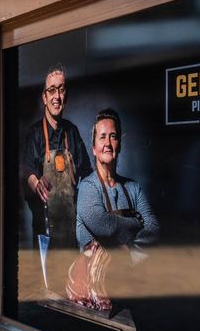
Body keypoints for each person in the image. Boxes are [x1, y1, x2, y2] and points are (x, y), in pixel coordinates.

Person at [68, 108, 159, 312]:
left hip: (131, 290)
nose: (108, 143)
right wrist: (137, 222)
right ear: (93, 148)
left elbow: (154, 228)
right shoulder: (87, 188)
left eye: (113, 137)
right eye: (102, 137)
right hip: (94, 299)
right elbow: (105, 225)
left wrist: (128, 252)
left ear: (119, 144)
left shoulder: (133, 187)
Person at [21, 64, 92, 290]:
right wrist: (36, 182)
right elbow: (28, 169)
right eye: (52, 90)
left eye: (61, 90)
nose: (57, 96)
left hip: (71, 230)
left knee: (71, 287)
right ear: (44, 97)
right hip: (45, 230)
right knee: (47, 289)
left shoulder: (72, 132)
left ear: (66, 96)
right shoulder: (34, 134)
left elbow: (88, 173)